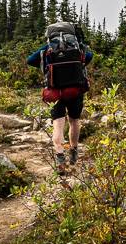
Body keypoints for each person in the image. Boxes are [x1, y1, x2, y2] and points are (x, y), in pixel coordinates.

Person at [27, 23, 92, 170]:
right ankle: (74, 153)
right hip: (76, 90)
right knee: (74, 121)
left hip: (55, 92)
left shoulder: (48, 48)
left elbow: (30, 60)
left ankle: (60, 158)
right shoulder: (77, 46)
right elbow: (89, 57)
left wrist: (44, 64)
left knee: (58, 124)